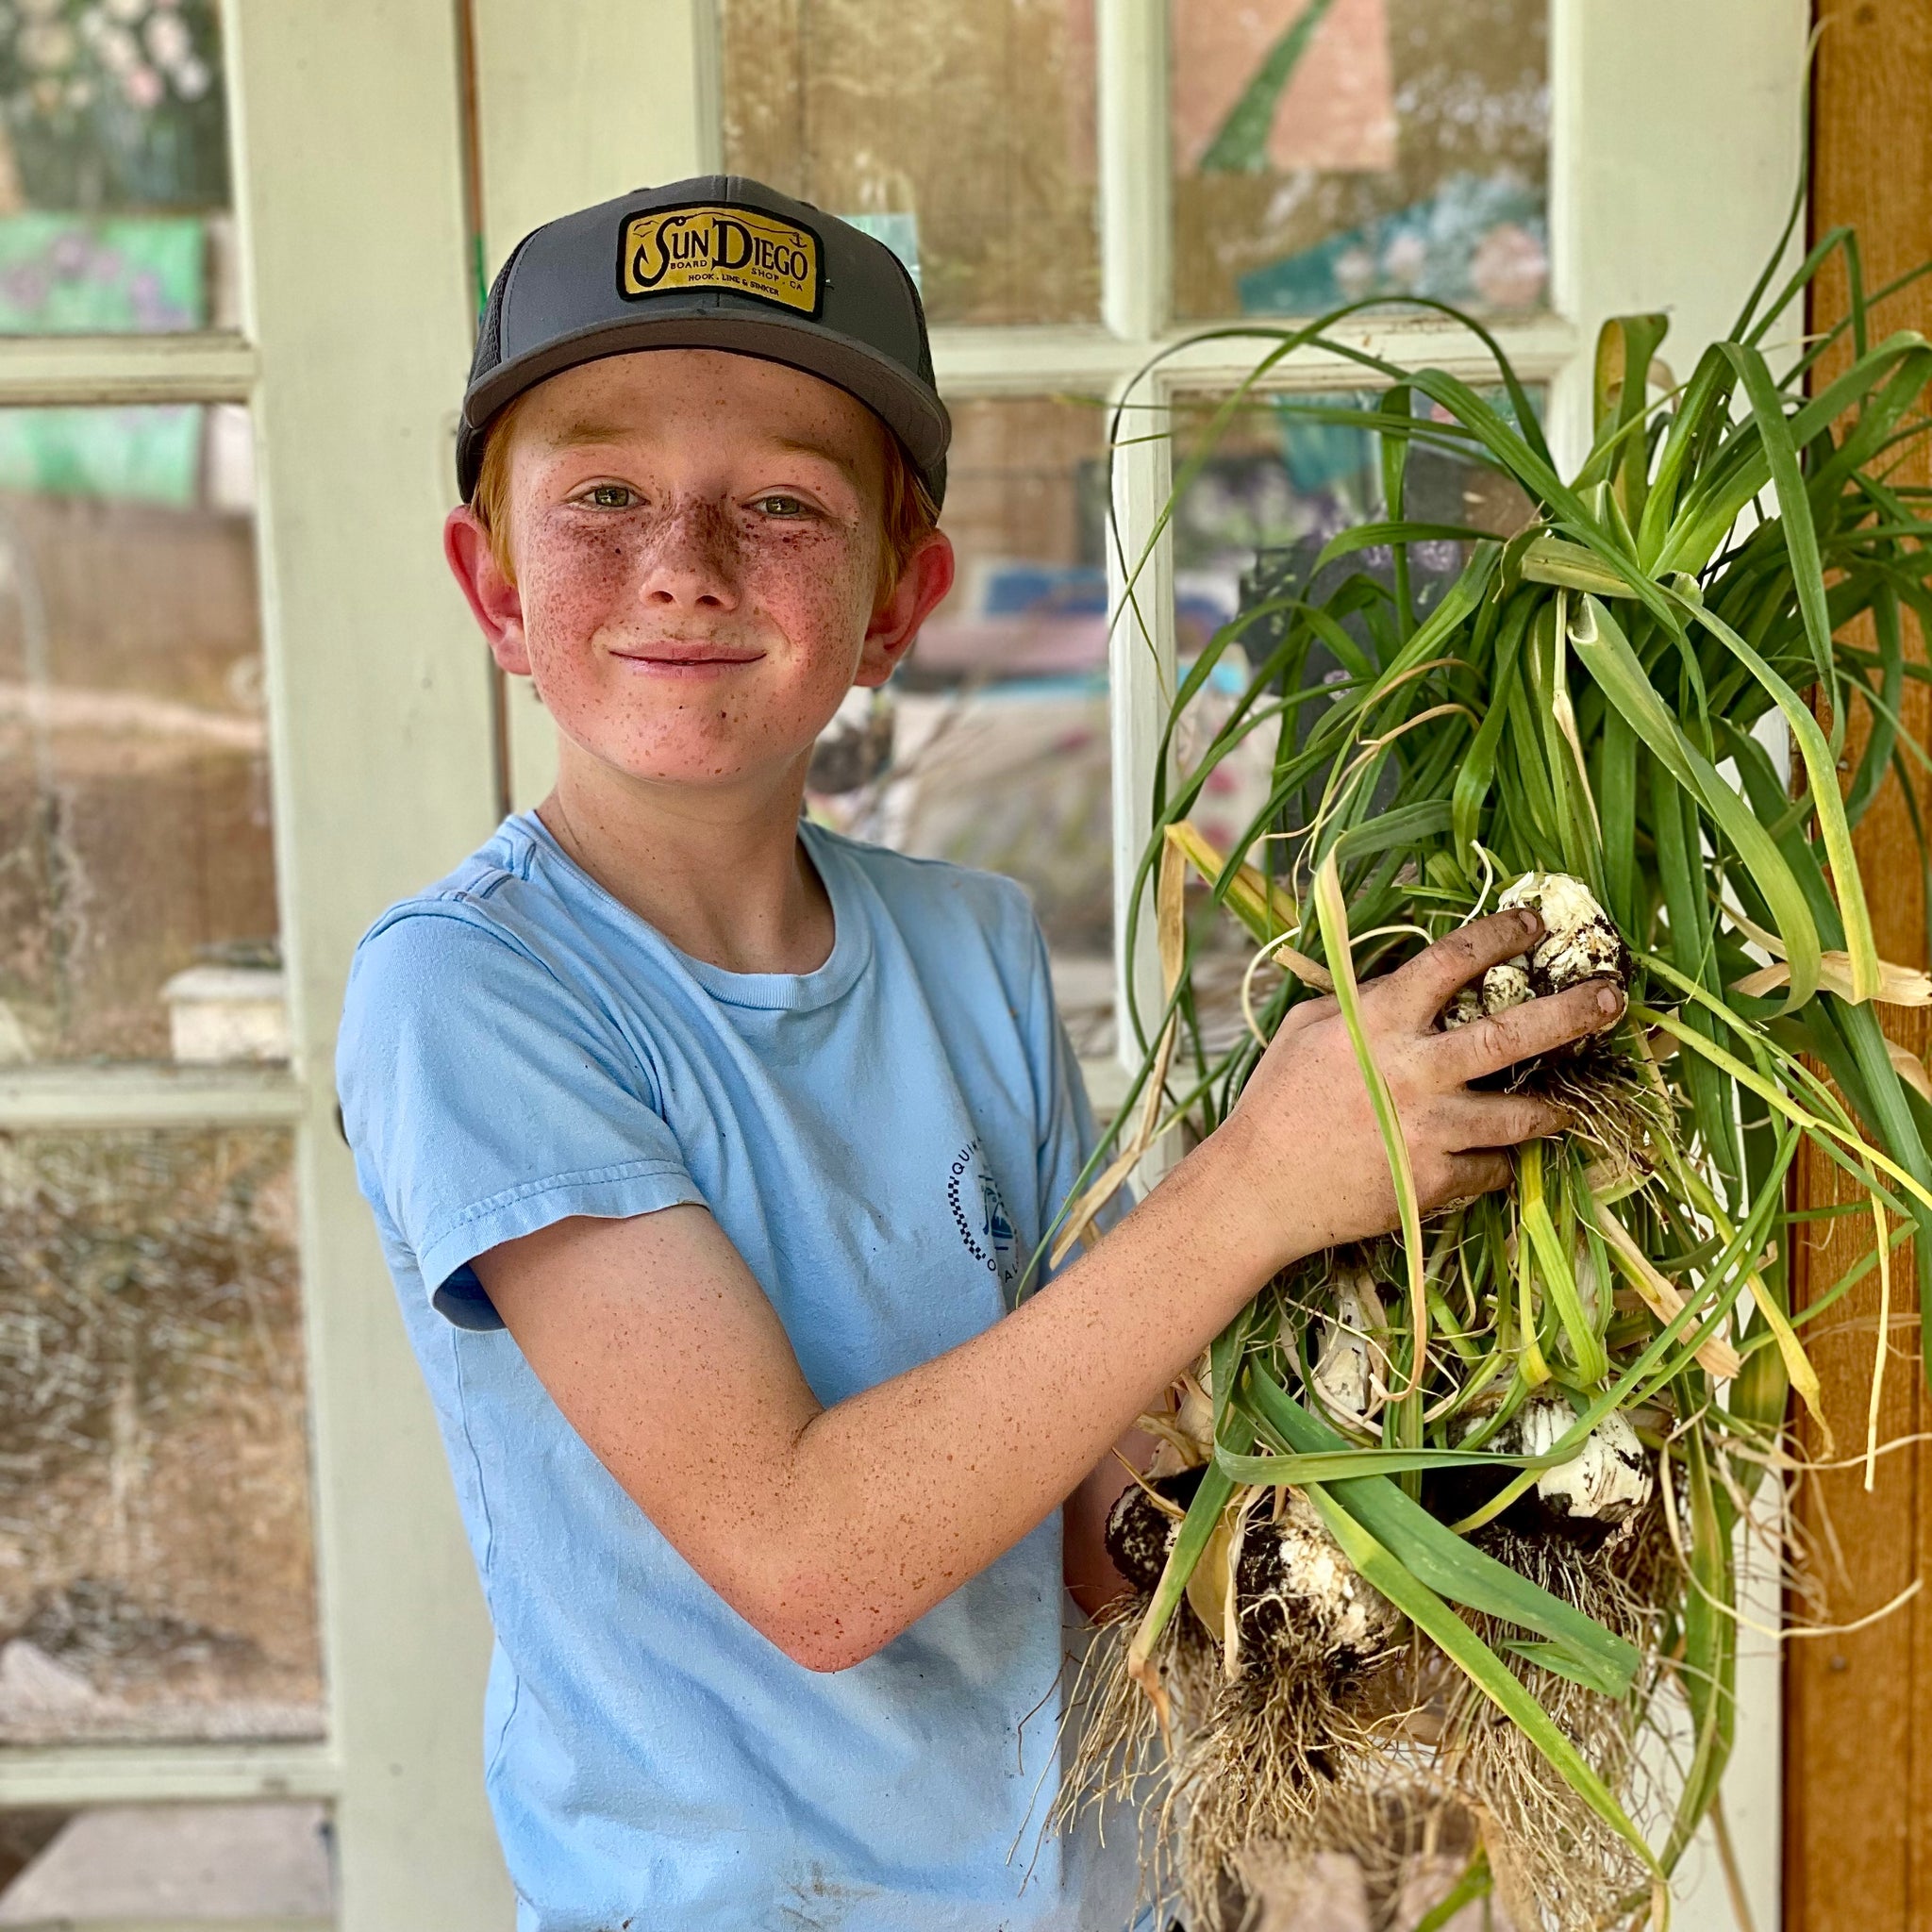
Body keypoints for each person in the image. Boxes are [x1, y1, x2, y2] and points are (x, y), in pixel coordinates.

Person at [335, 175, 1622, 1932]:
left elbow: (1102, 1521)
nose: (685, 560)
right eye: (605, 494)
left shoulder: (970, 946)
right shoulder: (471, 989)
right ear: (493, 585)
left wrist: (1410, 1479)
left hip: (1097, 1891)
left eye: (782, 503)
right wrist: (1259, 1184)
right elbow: (811, 1564)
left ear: (898, 598)